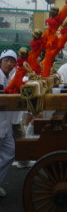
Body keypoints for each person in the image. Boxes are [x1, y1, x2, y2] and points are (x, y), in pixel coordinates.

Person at [0, 50, 18, 196]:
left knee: (9, 153)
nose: (9, 64)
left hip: (5, 126)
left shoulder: (9, 77)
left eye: (12, 61)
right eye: (6, 60)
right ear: (1, 61)